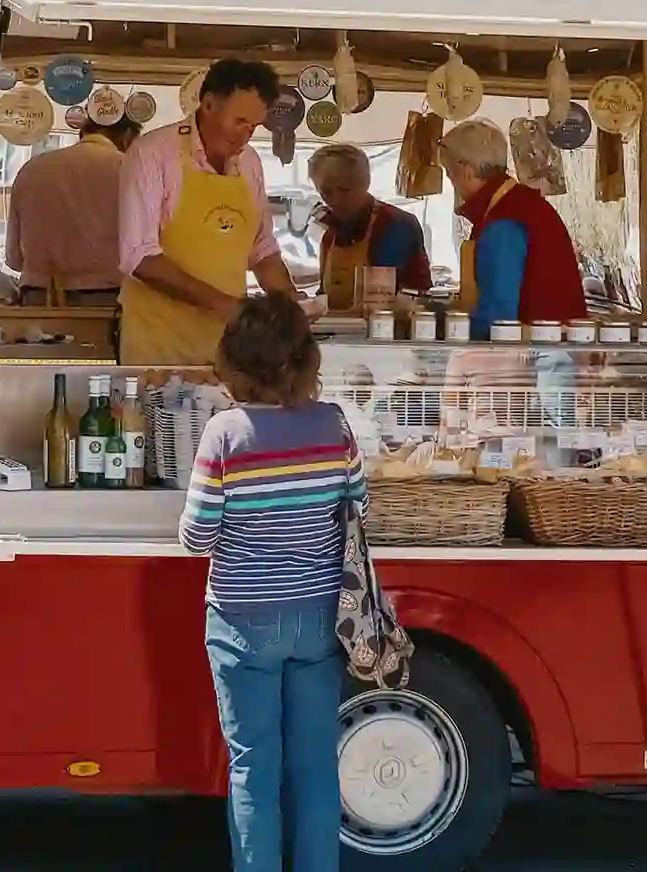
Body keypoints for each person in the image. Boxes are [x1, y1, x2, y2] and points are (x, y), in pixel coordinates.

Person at [179, 293, 365, 872]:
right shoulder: (335, 426)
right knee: (314, 764)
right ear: (305, 360)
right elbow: (358, 509)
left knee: (251, 766)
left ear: (234, 361)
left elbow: (196, 537)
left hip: (241, 621)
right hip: (318, 617)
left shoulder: (223, 434)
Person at [118, 59, 300, 365]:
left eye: (253, 126)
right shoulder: (153, 154)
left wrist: (290, 304)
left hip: (227, 350)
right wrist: (227, 307)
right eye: (239, 121)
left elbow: (261, 249)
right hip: (158, 346)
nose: (245, 136)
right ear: (209, 103)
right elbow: (139, 256)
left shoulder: (250, 162)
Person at [439, 119, 587, 339]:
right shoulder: (524, 205)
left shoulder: (505, 220)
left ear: (467, 172)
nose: (453, 184)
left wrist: (441, 325)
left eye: (450, 174)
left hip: (537, 361)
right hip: (556, 354)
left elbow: (498, 318)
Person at [5, 117, 141, 306]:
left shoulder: (32, 169)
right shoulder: (129, 170)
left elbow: (14, 258)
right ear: (127, 137)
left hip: (40, 298)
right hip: (109, 299)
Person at [307, 143, 431, 309]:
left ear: (365, 183)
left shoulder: (397, 224)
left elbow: (419, 290)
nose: (335, 200)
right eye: (326, 192)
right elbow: (324, 294)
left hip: (387, 329)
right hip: (335, 330)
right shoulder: (330, 234)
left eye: (345, 190)